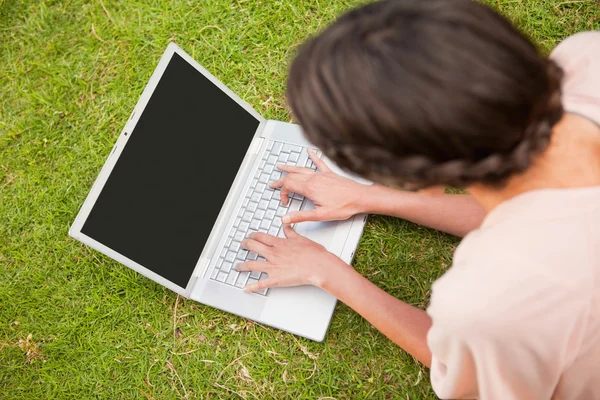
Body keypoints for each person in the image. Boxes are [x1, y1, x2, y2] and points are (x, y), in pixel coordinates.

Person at [235, 0, 600, 398]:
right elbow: (541, 209)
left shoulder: (487, 303)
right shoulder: (586, 58)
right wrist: (372, 197)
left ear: (416, 177)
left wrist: (328, 272)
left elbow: (460, 372)